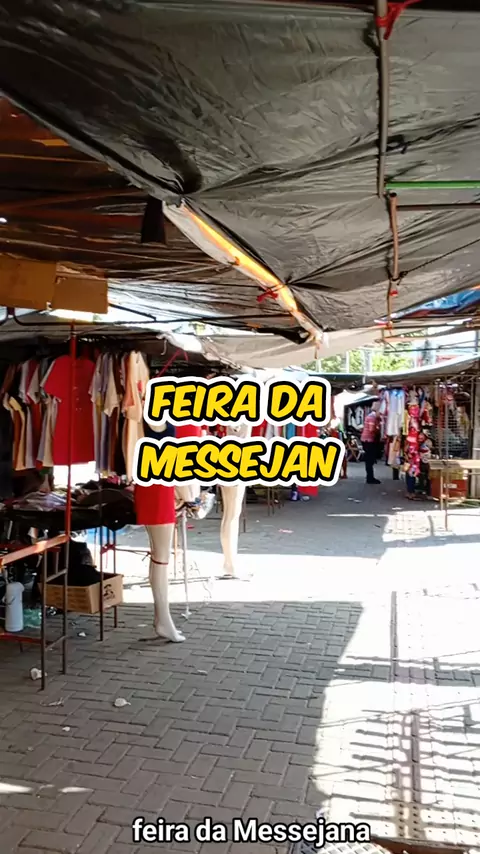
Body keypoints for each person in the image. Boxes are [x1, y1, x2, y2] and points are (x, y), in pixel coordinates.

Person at [361, 401, 381, 484]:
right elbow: (371, 429)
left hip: (366, 439)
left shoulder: (370, 416)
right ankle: (370, 478)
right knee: (369, 459)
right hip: (368, 440)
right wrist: (378, 429)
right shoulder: (372, 418)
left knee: (369, 459)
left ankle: (370, 477)